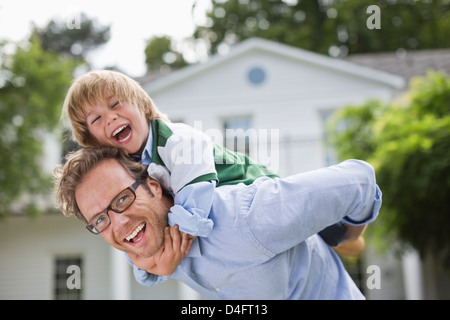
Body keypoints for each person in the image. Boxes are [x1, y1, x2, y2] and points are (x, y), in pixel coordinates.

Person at [62, 70, 360, 255]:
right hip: (240, 213)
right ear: (93, 140)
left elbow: (195, 194)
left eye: (115, 104)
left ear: (141, 106)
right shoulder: (129, 168)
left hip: (254, 184)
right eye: (97, 119)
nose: (110, 116)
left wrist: (173, 236)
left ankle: (350, 232)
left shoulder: (178, 140)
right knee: (302, 245)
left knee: (325, 227)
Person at [53, 147, 382, 299]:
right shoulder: (146, 242)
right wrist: (151, 268)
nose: (119, 223)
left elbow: (359, 181)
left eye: (122, 199)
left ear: (154, 185)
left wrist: (346, 236)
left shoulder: (244, 218)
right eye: (100, 219)